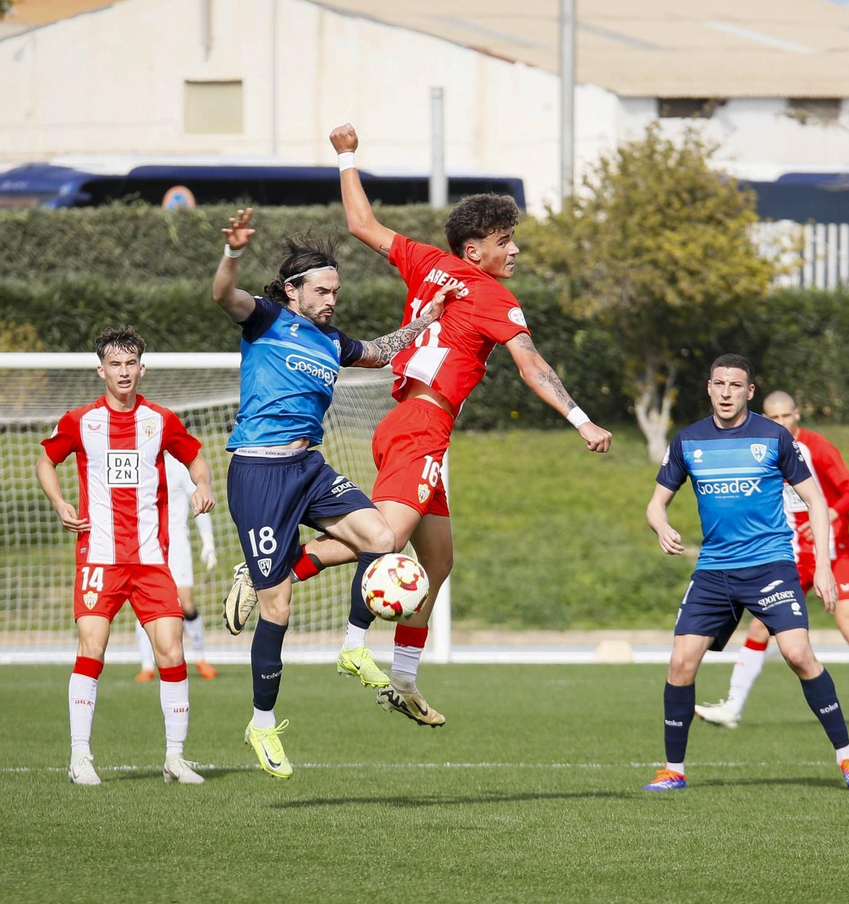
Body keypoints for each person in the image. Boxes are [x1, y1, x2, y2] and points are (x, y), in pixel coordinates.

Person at [226, 123, 612, 728]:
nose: (515, 252)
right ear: (475, 250)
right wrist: (581, 419)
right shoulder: (494, 298)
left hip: (404, 421)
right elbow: (532, 365)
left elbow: (360, 225)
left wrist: (347, 155)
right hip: (422, 427)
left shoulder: (428, 262)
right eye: (506, 241)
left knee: (437, 561)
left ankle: (403, 678)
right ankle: (335, 629)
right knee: (384, 541)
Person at [212, 208, 452, 779]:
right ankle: (262, 723)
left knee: (382, 536)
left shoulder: (332, 342)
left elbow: (380, 350)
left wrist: (427, 319)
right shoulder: (267, 319)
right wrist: (234, 252)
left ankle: (351, 645)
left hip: (309, 468)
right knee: (278, 609)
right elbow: (225, 295)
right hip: (259, 473)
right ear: (293, 291)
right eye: (322, 289)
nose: (331, 299)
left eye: (336, 291)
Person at [644, 355, 849, 792]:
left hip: (769, 565)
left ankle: (848, 759)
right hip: (713, 570)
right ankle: (673, 769)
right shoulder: (688, 440)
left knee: (798, 655)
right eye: (719, 383)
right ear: (708, 388)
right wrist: (662, 525)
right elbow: (656, 503)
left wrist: (823, 567)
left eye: (736, 385)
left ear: (749, 392)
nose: (726, 392)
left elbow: (818, 502)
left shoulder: (773, 437)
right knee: (680, 663)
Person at [34, 326, 215, 786]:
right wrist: (59, 503)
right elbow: (45, 460)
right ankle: (79, 758)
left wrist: (204, 486)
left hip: (152, 560)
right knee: (92, 647)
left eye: (131, 363)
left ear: (142, 368)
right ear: (101, 370)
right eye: (115, 364)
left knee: (171, 651)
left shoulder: (160, 419)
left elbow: (195, 457)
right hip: (98, 557)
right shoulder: (80, 420)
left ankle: (175, 758)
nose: (124, 372)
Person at [695, 390, 849, 730]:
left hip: (831, 553)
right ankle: (733, 706)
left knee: (848, 622)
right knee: (759, 626)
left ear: (797, 415)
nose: (780, 423)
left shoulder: (818, 447)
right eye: (772, 418)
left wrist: (828, 516)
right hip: (789, 556)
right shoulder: (763, 448)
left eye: (785, 416)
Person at [135, 453, 219, 681]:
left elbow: (199, 502)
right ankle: (146, 664)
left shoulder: (179, 466)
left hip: (176, 542)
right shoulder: (140, 461)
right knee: (145, 601)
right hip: (147, 542)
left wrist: (208, 542)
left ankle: (200, 657)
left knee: (186, 603)